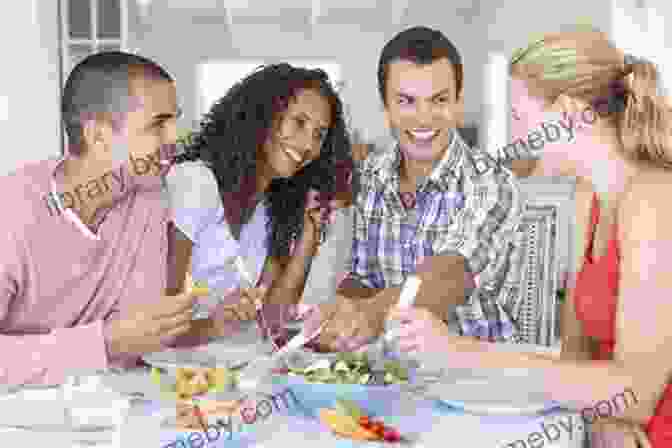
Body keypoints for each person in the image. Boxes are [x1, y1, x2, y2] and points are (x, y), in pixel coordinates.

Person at [390, 26, 672, 447]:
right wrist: (601, 414)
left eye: (521, 116)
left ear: (569, 113)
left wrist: (459, 352)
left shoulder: (654, 199)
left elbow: (637, 395)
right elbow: (583, 359)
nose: (517, 136)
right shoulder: (587, 198)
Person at [307, 26, 527, 352]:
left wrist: (373, 313)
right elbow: (364, 279)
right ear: (386, 106)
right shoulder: (370, 178)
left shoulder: (491, 183)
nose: (424, 118)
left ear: (457, 102)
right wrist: (341, 313)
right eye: (406, 101)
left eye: (439, 100)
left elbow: (449, 275)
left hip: (479, 378)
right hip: (391, 372)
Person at [0, 51, 207, 386]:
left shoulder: (148, 196)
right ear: (98, 136)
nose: (174, 139)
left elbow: (135, 340)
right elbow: (116, 342)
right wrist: (101, 343)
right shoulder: (11, 212)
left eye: (174, 122)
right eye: (159, 124)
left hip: (102, 410)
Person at [166, 63, 355, 344]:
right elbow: (158, 320)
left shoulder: (273, 208)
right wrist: (213, 326)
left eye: (319, 135)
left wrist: (309, 233)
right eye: (299, 122)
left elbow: (272, 324)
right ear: (262, 116)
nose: (307, 145)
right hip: (167, 376)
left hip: (228, 372)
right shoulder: (195, 181)